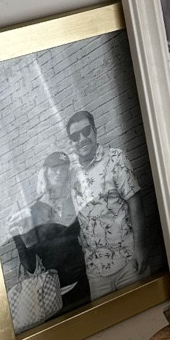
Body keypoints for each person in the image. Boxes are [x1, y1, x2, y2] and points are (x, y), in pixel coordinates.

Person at [65, 110, 148, 300]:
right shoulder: (70, 176)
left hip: (129, 261)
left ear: (95, 131)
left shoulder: (116, 159)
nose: (82, 139)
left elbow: (135, 203)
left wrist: (140, 248)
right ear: (71, 142)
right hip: (96, 273)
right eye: (75, 136)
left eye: (86, 131)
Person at [6, 151, 90, 311]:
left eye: (64, 168)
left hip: (86, 282)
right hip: (55, 296)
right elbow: (30, 266)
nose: (59, 172)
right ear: (45, 172)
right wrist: (17, 237)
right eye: (54, 168)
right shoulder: (34, 213)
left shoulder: (72, 201)